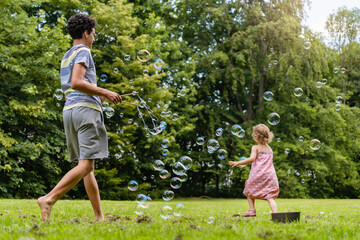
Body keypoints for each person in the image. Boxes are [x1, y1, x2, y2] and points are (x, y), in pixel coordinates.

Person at [37, 14, 122, 221]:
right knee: (86, 165)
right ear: (86, 33)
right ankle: (49, 199)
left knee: (87, 168)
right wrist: (106, 91)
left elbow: (74, 86)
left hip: (71, 111)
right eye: (93, 34)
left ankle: (99, 217)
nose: (94, 38)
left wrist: (100, 93)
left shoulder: (68, 54)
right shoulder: (84, 51)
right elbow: (76, 82)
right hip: (86, 111)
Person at [229, 124, 279, 217]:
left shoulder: (255, 147)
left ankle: (252, 210)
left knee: (248, 188)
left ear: (255, 136)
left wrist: (238, 163)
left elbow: (252, 159)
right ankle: (275, 215)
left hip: (258, 174)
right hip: (270, 175)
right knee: (270, 196)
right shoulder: (270, 149)